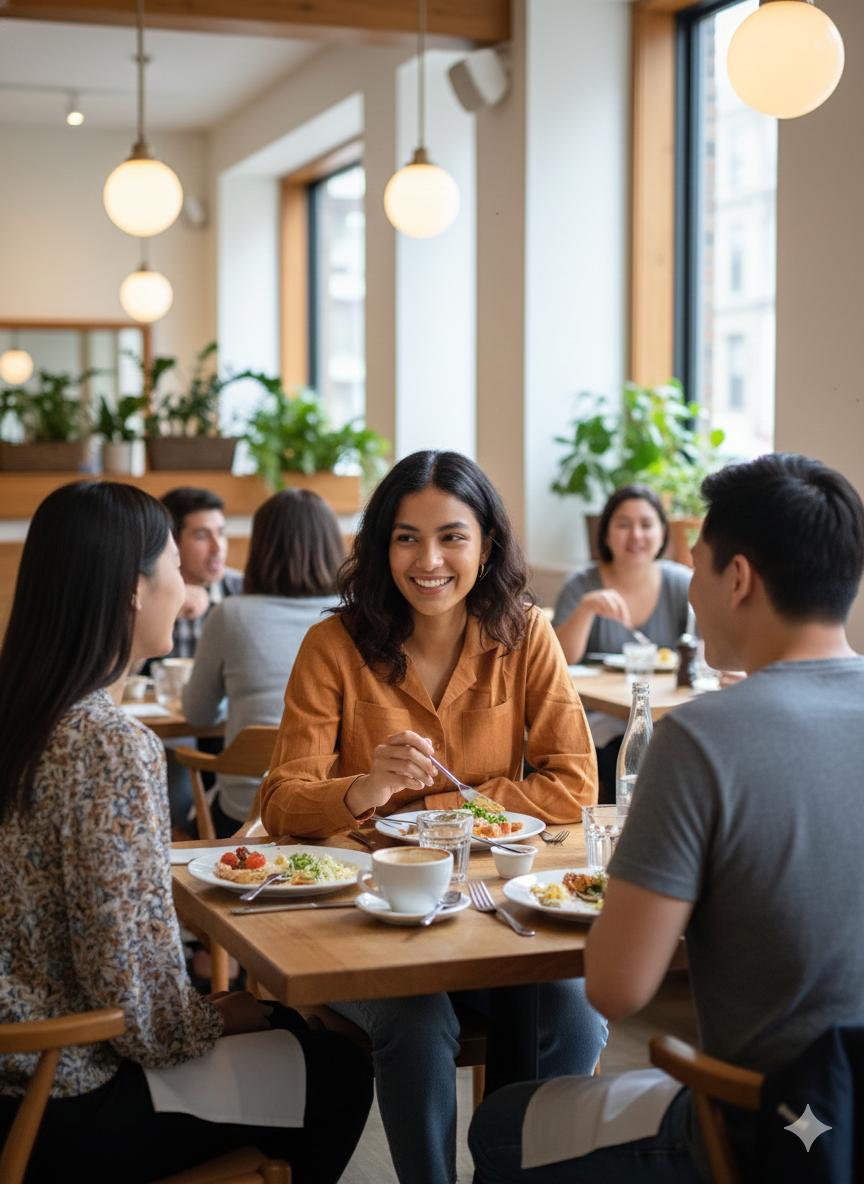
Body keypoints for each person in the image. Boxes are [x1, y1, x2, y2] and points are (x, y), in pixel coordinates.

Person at [468, 452, 864, 1183]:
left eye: (700, 565)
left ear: (737, 578)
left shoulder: (703, 738)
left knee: (498, 1124)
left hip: (779, 1130)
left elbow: (616, 989)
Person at [0, 482, 372, 1183]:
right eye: (173, 563)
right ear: (134, 590)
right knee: (337, 1069)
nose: (186, 583)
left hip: (18, 1068)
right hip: (62, 1098)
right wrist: (212, 1017)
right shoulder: (108, 745)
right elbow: (130, 996)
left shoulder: (23, 715)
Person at [260, 450, 606, 1184]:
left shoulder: (526, 635)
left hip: (490, 907)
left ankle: (515, 1174)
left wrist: (440, 812)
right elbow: (283, 799)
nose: (430, 560)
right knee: (416, 1020)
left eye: (452, 536)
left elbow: (574, 781)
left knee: (573, 1012)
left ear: (486, 545)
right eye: (406, 537)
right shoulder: (334, 644)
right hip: (364, 915)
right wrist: (359, 790)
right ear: (381, 546)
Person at [182, 488, 344, 836]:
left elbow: (198, 714)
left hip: (247, 814)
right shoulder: (356, 616)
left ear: (262, 548)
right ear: (332, 545)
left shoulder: (230, 615)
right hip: (338, 808)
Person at [552, 483, 694, 799]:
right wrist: (587, 608)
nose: (636, 536)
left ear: (662, 533)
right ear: (605, 534)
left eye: (646, 524)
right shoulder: (581, 584)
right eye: (623, 525)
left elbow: (702, 655)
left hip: (666, 717)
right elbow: (559, 661)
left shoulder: (682, 584)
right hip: (599, 721)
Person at [161, 486, 244, 659]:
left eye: (221, 533)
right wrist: (165, 614)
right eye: (202, 536)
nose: (217, 548)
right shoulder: (150, 594)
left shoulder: (244, 591)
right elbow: (127, 674)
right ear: (172, 542)